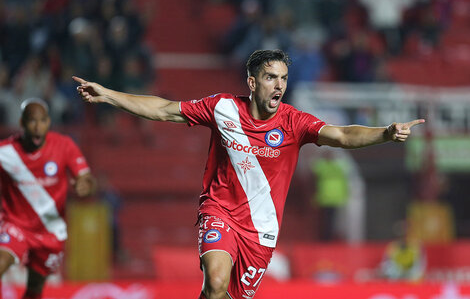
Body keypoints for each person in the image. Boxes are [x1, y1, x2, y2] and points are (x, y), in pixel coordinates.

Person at [74, 49, 425, 299]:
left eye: (283, 79)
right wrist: (109, 96)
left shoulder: (294, 122)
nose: (278, 86)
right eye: (270, 77)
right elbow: (166, 110)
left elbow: (343, 134)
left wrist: (385, 133)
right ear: (252, 82)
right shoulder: (223, 107)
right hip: (220, 211)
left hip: (261, 230)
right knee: (215, 282)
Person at [0, 98, 96, 299]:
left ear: (49, 122)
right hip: (15, 225)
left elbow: (86, 179)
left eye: (42, 121)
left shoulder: (64, 146)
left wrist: (84, 186)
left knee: (34, 289)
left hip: (50, 231)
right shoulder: (6, 152)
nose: (37, 127)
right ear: (21, 123)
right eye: (32, 121)